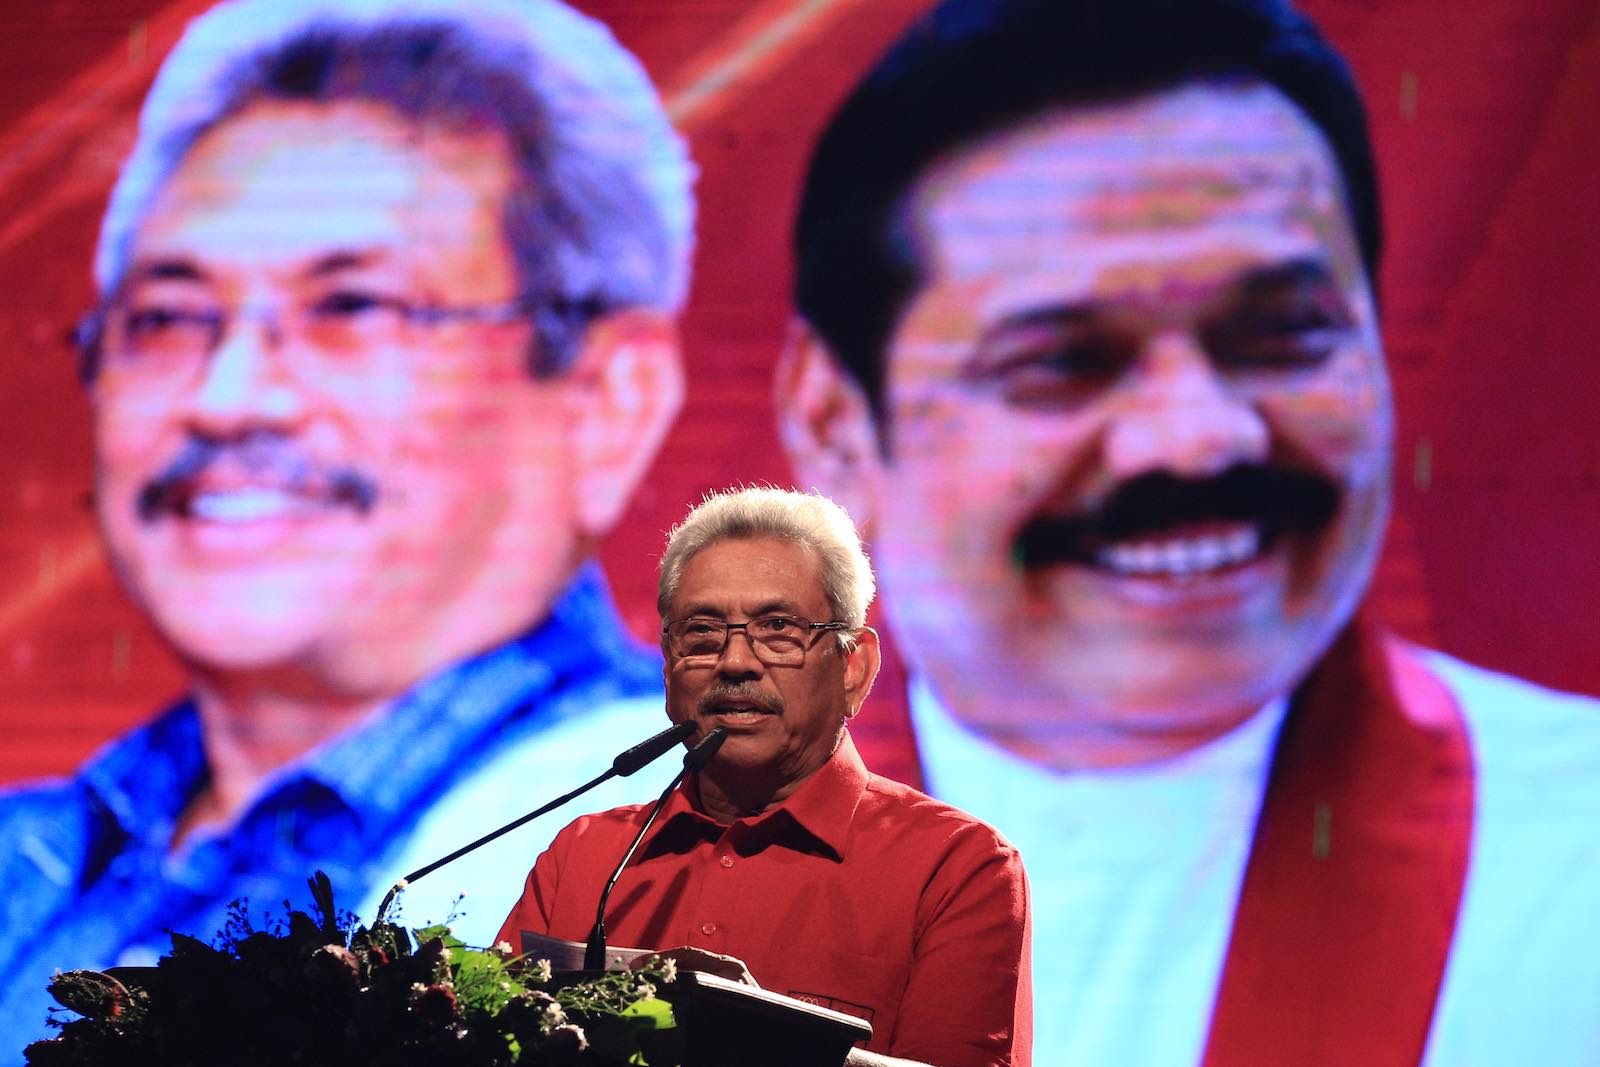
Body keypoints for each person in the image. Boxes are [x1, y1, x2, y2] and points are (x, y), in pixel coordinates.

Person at [777, 1, 1600, 1065]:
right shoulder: (585, 869)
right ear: (836, 428)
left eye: (1280, 334)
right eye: (1066, 359)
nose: (1200, 438)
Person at [0, 0, 692, 1050]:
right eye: (168, 317)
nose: (228, 397)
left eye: (353, 307)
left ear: (606, 398)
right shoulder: (29, 854)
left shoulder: (672, 863)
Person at [498, 487, 1032, 1067]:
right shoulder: (587, 858)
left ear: (854, 668)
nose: (735, 662)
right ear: (668, 667)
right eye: (701, 634)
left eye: (778, 628)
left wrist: (750, 1036)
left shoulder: (956, 867)